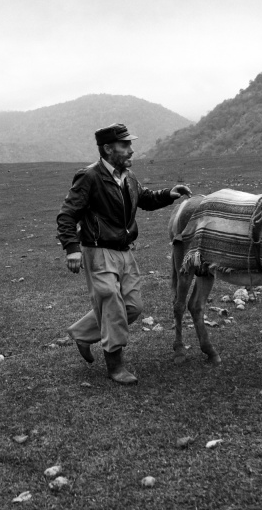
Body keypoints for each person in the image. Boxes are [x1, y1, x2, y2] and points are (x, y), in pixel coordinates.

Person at [57, 123, 191, 384]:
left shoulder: (127, 176)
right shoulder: (90, 177)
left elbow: (144, 198)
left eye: (130, 144)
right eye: (125, 145)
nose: (131, 150)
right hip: (98, 251)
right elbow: (67, 213)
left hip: (126, 251)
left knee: (132, 307)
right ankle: (115, 366)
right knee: (112, 303)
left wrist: (169, 194)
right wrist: (72, 249)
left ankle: (84, 334)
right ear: (108, 149)